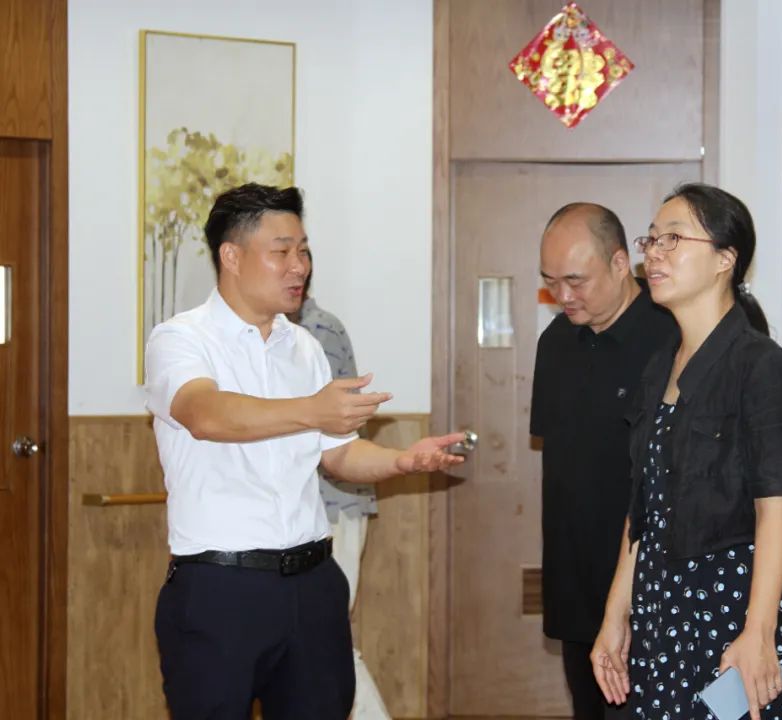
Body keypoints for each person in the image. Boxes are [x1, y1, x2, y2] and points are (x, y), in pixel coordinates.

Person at [145, 183, 466, 719]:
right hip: (219, 589)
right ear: (231, 256)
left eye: (304, 251)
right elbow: (205, 415)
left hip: (313, 583)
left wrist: (403, 460)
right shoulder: (181, 339)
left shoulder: (305, 347)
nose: (300, 267)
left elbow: (337, 455)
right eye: (282, 251)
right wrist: (312, 410)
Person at [591, 183, 782, 720]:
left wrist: (759, 632)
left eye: (674, 238)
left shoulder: (761, 366)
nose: (654, 253)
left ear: (725, 259)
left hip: (731, 610)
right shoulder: (659, 367)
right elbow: (644, 510)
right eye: (651, 239)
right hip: (659, 607)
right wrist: (616, 614)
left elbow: (774, 509)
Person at [532, 202, 676, 720]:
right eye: (551, 282)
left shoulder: (670, 338)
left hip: (649, 584)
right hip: (576, 582)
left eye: (576, 280)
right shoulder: (555, 343)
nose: (563, 296)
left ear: (620, 264)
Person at [287, 250, 389, 720]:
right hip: (304, 513)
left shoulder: (317, 332)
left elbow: (322, 426)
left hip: (334, 505)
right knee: (315, 643)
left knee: (327, 639)